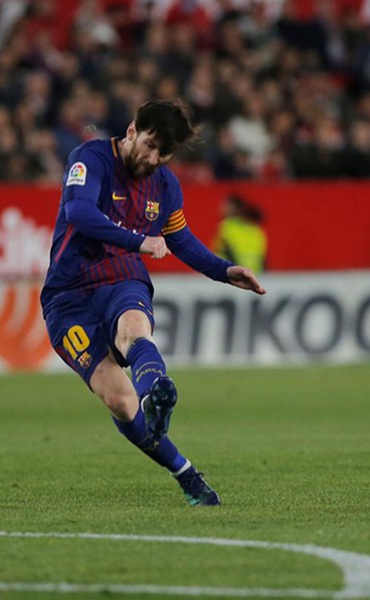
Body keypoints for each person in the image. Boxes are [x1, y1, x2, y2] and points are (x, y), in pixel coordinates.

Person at [40, 99, 266, 506]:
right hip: (67, 297)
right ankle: (186, 473)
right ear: (131, 131)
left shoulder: (165, 185)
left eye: (164, 153)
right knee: (120, 402)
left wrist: (223, 270)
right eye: (150, 145)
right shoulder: (89, 158)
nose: (153, 157)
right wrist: (139, 241)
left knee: (133, 330)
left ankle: (157, 390)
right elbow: (78, 212)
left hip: (122, 278)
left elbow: (179, 239)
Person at [212, 193, 268, 274]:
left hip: (235, 276)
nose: (221, 207)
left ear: (234, 208)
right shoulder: (256, 229)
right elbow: (263, 259)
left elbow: (226, 253)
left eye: (225, 204)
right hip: (255, 275)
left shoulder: (227, 226)